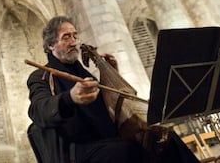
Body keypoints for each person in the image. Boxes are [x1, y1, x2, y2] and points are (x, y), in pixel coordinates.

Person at [26, 16, 199, 163]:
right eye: (66, 37)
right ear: (50, 45)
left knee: (165, 139)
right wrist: (69, 98)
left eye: (74, 36)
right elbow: (38, 110)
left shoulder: (83, 72)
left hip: (109, 139)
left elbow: (107, 106)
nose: (73, 42)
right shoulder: (40, 76)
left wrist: (111, 74)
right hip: (77, 150)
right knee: (128, 152)